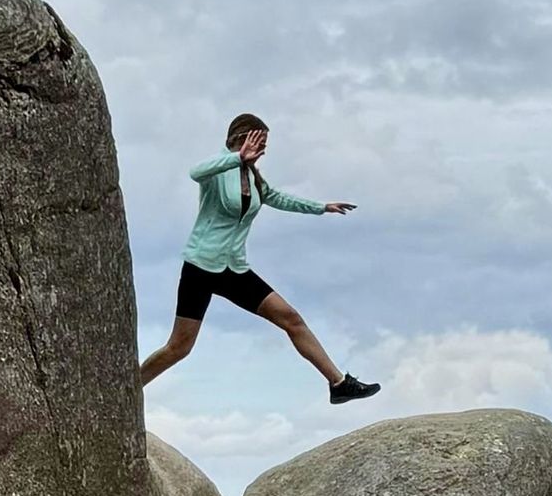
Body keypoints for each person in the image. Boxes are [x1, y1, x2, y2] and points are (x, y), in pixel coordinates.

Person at [138, 117, 379, 404]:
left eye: (265, 144)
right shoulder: (220, 167)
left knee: (291, 319)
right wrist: (236, 159)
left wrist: (322, 207)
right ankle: (128, 388)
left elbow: (278, 198)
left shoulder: (253, 178)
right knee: (179, 347)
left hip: (234, 269)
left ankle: (339, 384)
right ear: (242, 139)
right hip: (201, 267)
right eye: (259, 143)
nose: (263, 149)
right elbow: (195, 172)